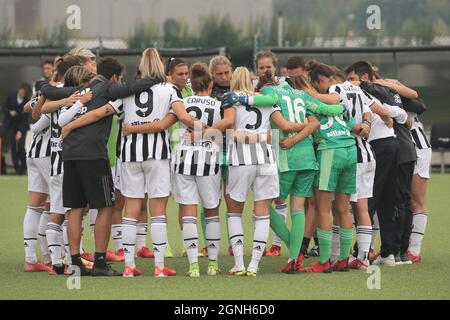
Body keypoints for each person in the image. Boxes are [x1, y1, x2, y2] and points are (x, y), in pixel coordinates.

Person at [60, 48, 196, 278]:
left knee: (131, 211)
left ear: (141, 66)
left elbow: (100, 112)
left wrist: (71, 125)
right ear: (162, 68)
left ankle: (129, 266)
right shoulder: (171, 89)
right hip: (157, 155)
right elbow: (182, 117)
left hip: (130, 156)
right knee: (158, 211)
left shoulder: (126, 92)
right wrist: (208, 128)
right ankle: (159, 266)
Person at [43, 54, 162, 277]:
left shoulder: (81, 91)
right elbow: (132, 89)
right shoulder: (107, 87)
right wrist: (156, 79)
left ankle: (75, 262)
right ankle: (99, 262)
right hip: (93, 155)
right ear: (114, 77)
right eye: (120, 78)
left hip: (70, 154)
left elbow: (50, 96)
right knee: (106, 207)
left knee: (75, 208)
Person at [226, 71, 345, 273]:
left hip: (286, 157)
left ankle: (294, 249)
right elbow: (320, 116)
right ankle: (294, 257)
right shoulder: (301, 95)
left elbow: (281, 121)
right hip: (308, 157)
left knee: (264, 206)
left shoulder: (270, 94)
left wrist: (291, 139)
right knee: (298, 208)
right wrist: (342, 105)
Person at [224, 67, 307, 276]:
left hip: (241, 161)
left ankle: (238, 264)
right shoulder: (267, 100)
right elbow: (286, 126)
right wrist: (303, 123)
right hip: (266, 160)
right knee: (261, 215)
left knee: (234, 212)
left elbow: (231, 133)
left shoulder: (231, 100)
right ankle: (253, 265)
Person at [346, 61, 408, 266]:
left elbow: (401, 115)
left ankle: (359, 253)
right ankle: (389, 252)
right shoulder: (368, 94)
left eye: (352, 79)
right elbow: (400, 115)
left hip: (381, 147)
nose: (349, 83)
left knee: (368, 198)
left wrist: (386, 113)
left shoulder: (366, 94)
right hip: (391, 146)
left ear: (363, 79)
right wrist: (388, 114)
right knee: (386, 199)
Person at [171, 63, 230, 276]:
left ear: (192, 84)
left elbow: (168, 122)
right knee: (212, 211)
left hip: (183, 159)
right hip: (209, 160)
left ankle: (193, 266)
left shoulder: (182, 102)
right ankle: (213, 264)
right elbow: (224, 134)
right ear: (211, 83)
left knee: (188, 212)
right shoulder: (218, 104)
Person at [3, 83, 32, 174]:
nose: (22, 94)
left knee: (21, 147)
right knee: (13, 147)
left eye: (24, 93)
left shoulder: (27, 101)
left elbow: (25, 118)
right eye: (22, 92)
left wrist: (19, 131)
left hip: (22, 127)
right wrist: (10, 112)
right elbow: (3, 108)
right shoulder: (11, 96)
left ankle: (23, 168)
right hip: (10, 126)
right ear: (19, 90)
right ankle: (16, 168)